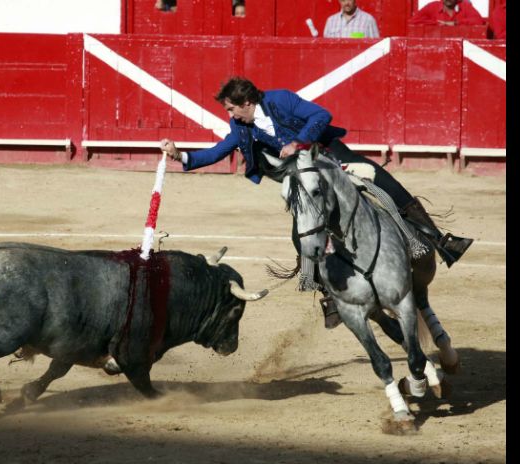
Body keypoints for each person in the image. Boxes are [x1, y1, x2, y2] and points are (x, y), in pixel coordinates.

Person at [160, 77, 473, 328]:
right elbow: (218, 151)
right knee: (301, 234)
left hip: (330, 156)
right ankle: (327, 293)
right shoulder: (242, 126)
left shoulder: (279, 99)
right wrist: (181, 155)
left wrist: (300, 142)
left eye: (231, 109)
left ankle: (439, 239)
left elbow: (321, 115)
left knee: (383, 180)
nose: (230, 115)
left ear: (246, 102)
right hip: (304, 177)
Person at [409, 0, 484, 26]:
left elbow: (479, 21)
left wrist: (456, 23)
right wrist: (436, 23)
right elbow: (413, 21)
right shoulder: (432, 6)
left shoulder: (465, 6)